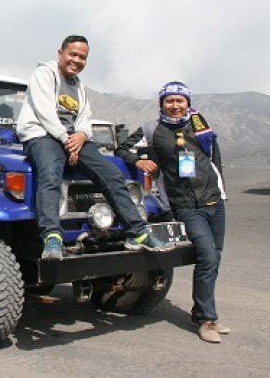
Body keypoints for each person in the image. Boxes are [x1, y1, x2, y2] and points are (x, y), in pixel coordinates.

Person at [16, 35, 174, 261]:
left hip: (72, 140)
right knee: (50, 175)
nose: (77, 60)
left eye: (82, 57)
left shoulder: (78, 86)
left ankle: (137, 232)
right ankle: (52, 236)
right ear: (60, 53)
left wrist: (80, 135)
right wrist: (67, 139)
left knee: (112, 174)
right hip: (41, 134)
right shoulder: (43, 74)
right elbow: (45, 113)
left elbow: (83, 118)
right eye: (73, 54)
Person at [115, 81, 229, 343]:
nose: (175, 106)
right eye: (169, 101)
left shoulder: (200, 123)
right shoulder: (152, 129)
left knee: (215, 258)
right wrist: (138, 160)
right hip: (185, 205)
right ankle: (206, 320)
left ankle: (201, 312)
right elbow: (122, 148)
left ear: (187, 102)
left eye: (180, 101)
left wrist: (221, 192)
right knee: (207, 257)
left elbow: (214, 159)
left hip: (214, 202)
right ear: (162, 104)